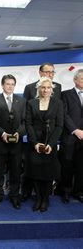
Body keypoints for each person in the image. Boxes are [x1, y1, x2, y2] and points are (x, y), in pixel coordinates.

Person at [22, 62, 62, 201]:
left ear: (52, 89)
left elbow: (59, 124)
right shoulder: (31, 99)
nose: (46, 89)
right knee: (34, 172)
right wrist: (34, 143)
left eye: (48, 87)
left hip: (50, 142)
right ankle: (37, 198)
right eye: (43, 87)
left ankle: (45, 200)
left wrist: (52, 143)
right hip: (35, 142)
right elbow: (28, 122)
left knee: (48, 173)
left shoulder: (58, 102)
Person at [0, 74, 26, 209]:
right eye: (7, 84)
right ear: (2, 85)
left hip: (16, 144)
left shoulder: (22, 101)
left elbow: (25, 122)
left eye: (12, 84)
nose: (10, 86)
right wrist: (2, 133)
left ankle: (15, 196)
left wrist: (18, 133)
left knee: (15, 171)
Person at [60, 69, 83, 204]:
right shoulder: (66, 94)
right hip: (70, 136)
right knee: (67, 166)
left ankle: (79, 191)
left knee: (81, 167)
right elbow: (64, 115)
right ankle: (66, 192)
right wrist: (75, 130)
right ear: (75, 80)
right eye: (82, 79)